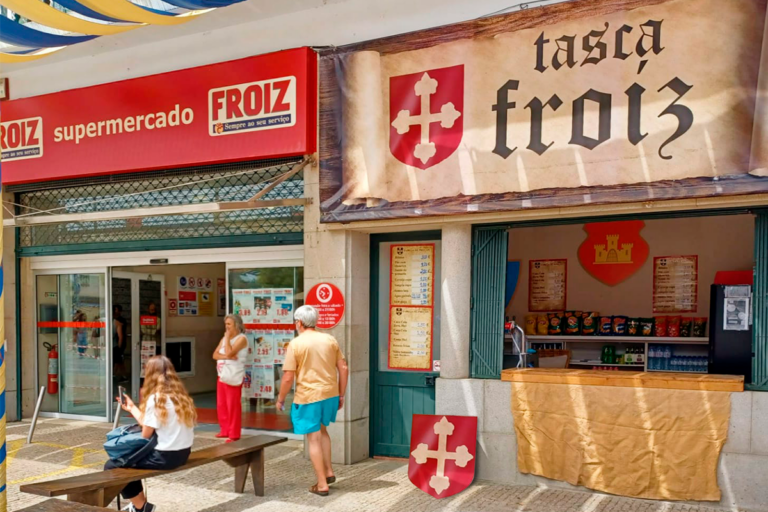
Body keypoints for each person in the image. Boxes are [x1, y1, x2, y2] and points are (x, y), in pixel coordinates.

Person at [106, 355, 196, 512]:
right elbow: (151, 424)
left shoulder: (156, 399)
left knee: (113, 465)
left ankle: (141, 507)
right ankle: (139, 505)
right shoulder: (181, 398)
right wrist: (132, 407)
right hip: (183, 453)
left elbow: (146, 434)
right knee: (131, 460)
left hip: (164, 457)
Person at [276, 305, 349, 497]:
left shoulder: (296, 344)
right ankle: (329, 471)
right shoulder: (330, 339)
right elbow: (343, 368)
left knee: (313, 438)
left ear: (299, 322)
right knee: (322, 431)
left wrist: (280, 399)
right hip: (330, 394)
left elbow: (287, 377)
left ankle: (322, 484)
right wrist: (341, 394)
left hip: (309, 396)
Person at [213, 314, 248, 442]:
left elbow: (229, 352)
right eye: (225, 324)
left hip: (233, 375)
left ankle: (234, 434)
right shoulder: (223, 339)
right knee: (221, 404)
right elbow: (215, 355)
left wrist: (227, 339)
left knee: (232, 405)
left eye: (229, 324)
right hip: (222, 374)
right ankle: (225, 430)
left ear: (236, 325)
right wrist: (226, 356)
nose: (226, 327)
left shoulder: (241, 339)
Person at [113, 305, 127, 378]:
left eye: (117, 310)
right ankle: (115, 374)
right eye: (115, 310)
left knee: (119, 360)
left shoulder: (121, 321)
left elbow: (121, 335)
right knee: (117, 360)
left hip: (120, 343)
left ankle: (122, 375)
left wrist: (119, 346)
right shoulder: (114, 320)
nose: (115, 311)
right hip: (115, 343)